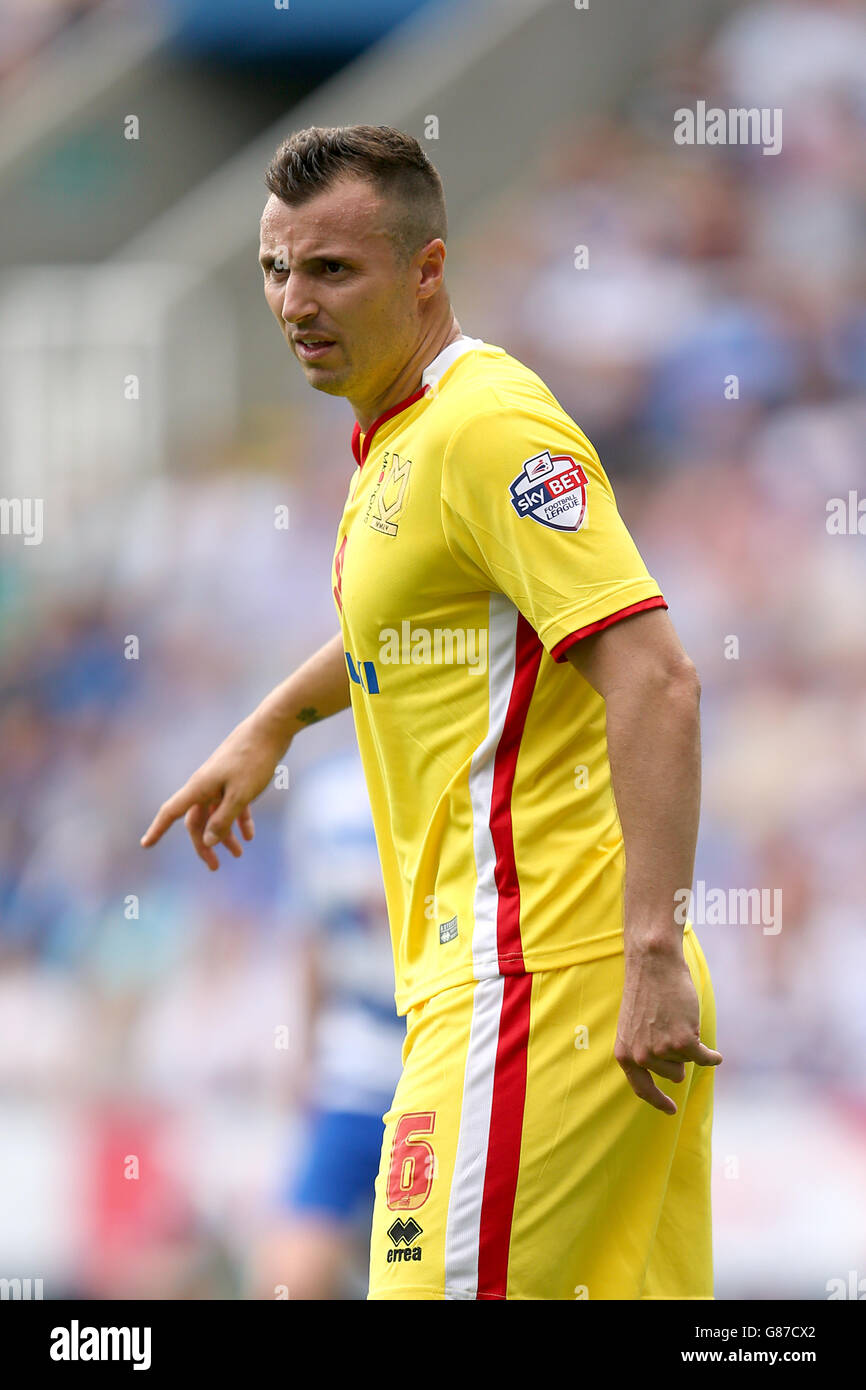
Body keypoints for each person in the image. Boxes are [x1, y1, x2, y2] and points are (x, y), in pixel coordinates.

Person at [142, 124, 722, 1301]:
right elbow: (413, 622)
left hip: (535, 977)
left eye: (331, 270)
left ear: (426, 270)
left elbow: (654, 675)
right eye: (274, 270)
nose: (293, 302)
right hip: (538, 977)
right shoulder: (398, 439)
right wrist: (272, 721)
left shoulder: (483, 426)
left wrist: (649, 946)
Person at [253, 748, 404, 1299]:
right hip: (358, 1071)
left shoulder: (482, 773)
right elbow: (313, 937)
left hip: (457, 1074)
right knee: (287, 1281)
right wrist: (306, 1055)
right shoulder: (326, 799)